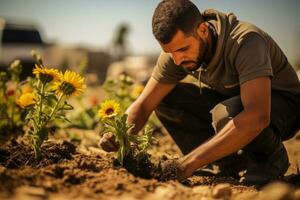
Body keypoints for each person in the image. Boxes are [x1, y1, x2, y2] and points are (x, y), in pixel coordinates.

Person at [100, 0, 300, 185]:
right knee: (166, 98)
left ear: (203, 30)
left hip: (283, 107)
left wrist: (188, 163)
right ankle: (224, 163)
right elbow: (144, 104)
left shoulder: (245, 41)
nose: (178, 60)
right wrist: (119, 132)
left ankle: (269, 160)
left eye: (183, 49)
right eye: (171, 53)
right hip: (233, 102)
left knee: (226, 113)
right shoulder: (177, 52)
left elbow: (257, 115)